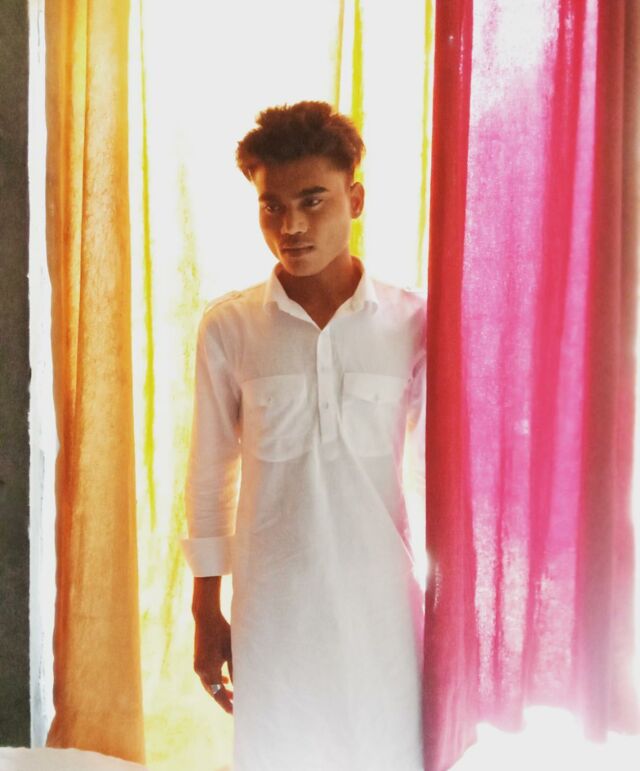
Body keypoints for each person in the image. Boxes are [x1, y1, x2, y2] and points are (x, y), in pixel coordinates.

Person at [181, 100, 427, 770]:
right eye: (272, 206)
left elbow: (441, 473)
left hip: (383, 612)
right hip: (274, 613)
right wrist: (207, 611)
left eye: (312, 201)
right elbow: (209, 473)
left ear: (356, 199)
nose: (290, 226)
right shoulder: (230, 328)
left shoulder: (413, 323)